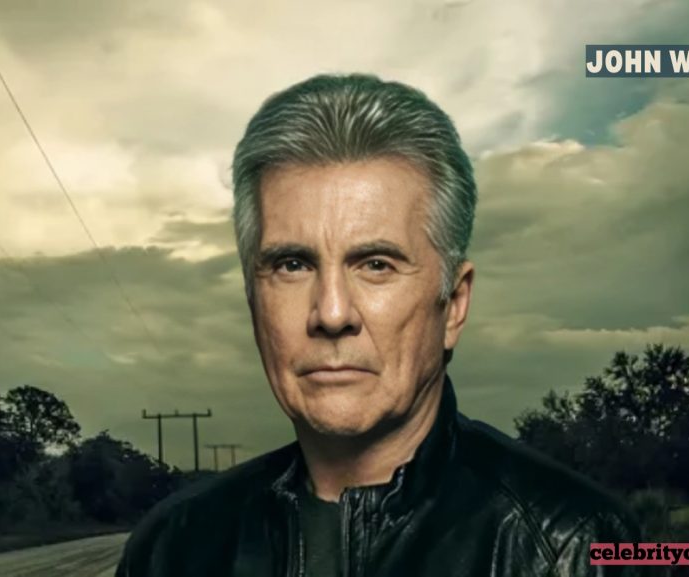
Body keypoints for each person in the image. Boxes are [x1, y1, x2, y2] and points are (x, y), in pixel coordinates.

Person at [116, 73, 641, 577]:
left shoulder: (573, 548)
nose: (332, 314)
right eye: (292, 265)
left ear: (454, 304)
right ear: (253, 299)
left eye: (376, 265)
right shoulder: (173, 548)